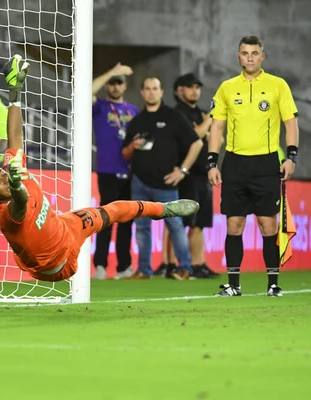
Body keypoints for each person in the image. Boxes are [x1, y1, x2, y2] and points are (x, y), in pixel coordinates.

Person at [0, 54, 200, 282]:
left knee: (112, 210)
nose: (3, 177)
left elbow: (14, 135)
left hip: (67, 228)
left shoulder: (12, 168)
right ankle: (105, 266)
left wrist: (15, 92)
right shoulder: (7, 217)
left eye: (1, 174)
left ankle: (164, 209)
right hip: (54, 266)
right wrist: (14, 183)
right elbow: (20, 202)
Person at [208, 36, 299, 297]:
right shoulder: (226, 87)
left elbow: (290, 123)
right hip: (234, 163)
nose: (250, 57)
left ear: (262, 56)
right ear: (238, 57)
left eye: (254, 53)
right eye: (245, 53)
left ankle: (273, 284)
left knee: (267, 226)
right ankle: (234, 285)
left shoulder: (277, 85)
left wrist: (291, 157)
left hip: (266, 163)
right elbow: (217, 127)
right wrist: (212, 162)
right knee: (234, 225)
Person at [122, 77, 203, 280]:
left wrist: (182, 171)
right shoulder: (136, 121)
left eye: (155, 88)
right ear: (142, 92)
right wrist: (133, 146)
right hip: (139, 182)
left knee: (175, 225)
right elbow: (125, 154)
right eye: (147, 89)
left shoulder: (173, 117)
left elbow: (197, 143)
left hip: (166, 183)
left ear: (161, 92)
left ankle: (185, 267)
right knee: (141, 228)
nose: (151, 92)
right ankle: (144, 270)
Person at [91, 63, 139, 280]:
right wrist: (111, 71)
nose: (115, 86)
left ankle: (124, 266)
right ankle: (100, 265)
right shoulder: (100, 106)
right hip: (108, 171)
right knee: (106, 219)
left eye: (119, 82)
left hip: (130, 172)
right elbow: (87, 90)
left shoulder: (133, 110)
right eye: (112, 82)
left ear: (125, 86)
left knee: (127, 221)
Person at [168, 73, 219, 279]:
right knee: (183, 222)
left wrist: (205, 126)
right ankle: (177, 264)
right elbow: (196, 136)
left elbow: (218, 138)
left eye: (198, 87)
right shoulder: (177, 113)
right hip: (185, 173)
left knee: (200, 223)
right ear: (180, 90)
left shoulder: (200, 113)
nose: (195, 91)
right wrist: (207, 123)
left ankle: (199, 264)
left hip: (202, 172)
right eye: (191, 87)